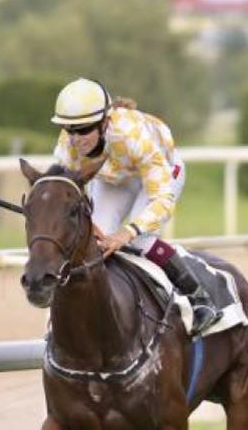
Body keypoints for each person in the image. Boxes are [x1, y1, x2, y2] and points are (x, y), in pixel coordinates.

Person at [48, 77, 221, 333]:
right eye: (69, 129)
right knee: (94, 244)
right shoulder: (68, 144)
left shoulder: (132, 136)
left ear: (104, 122)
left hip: (160, 170)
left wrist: (126, 232)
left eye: (83, 130)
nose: (75, 139)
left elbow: (162, 200)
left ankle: (200, 299)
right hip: (115, 175)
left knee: (138, 240)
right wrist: (89, 224)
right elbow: (69, 192)